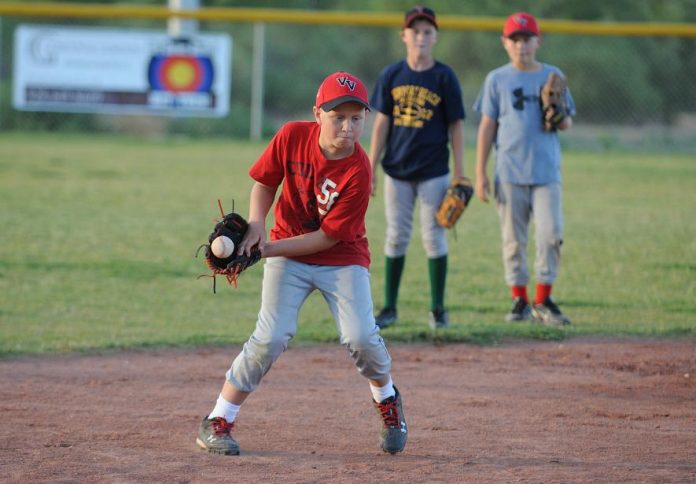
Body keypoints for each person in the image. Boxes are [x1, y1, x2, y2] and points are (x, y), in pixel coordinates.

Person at [195, 71, 407, 456]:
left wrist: (263, 250)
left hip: (342, 258)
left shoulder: (359, 170)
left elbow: (326, 238)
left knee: (361, 337)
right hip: (286, 254)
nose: (347, 126)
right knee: (269, 338)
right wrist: (257, 225)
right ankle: (218, 419)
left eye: (356, 118)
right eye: (337, 116)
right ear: (317, 114)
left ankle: (388, 399)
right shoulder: (292, 136)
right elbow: (264, 182)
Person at [473, 12, 576, 324]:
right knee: (513, 239)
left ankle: (543, 299)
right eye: (515, 40)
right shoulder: (497, 79)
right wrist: (480, 172)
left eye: (527, 39)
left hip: (546, 172)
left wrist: (558, 116)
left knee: (551, 234)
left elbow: (568, 123)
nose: (521, 45)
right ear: (505, 43)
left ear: (538, 41)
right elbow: (487, 126)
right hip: (509, 172)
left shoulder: (552, 74)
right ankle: (519, 300)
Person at [369, 6, 466, 330]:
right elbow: (381, 122)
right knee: (396, 237)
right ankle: (390, 308)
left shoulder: (444, 76)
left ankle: (438, 309)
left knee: (434, 237)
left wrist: (459, 172)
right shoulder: (392, 75)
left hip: (434, 171)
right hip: (396, 169)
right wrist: (369, 166)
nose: (421, 36)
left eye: (427, 31)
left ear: (435, 37)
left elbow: (456, 125)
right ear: (404, 36)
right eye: (415, 31)